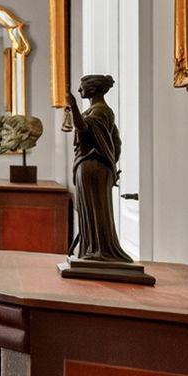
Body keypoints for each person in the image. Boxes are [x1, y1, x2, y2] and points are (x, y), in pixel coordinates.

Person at [64, 73, 131, 264]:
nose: (79, 90)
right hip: (91, 166)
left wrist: (74, 106)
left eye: (82, 86)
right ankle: (91, 249)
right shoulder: (97, 110)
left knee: (95, 210)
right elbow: (116, 141)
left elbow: (84, 129)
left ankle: (99, 251)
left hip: (93, 166)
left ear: (92, 89)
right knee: (90, 211)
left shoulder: (101, 110)